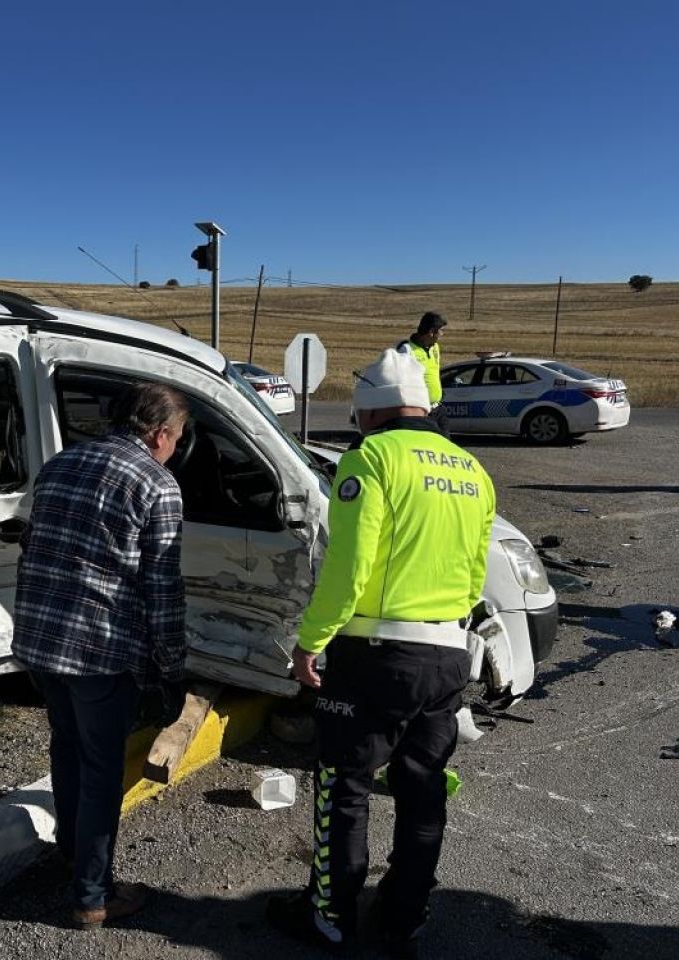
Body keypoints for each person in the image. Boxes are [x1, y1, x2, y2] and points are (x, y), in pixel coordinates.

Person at [268, 348, 495, 957]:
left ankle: (331, 918)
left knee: (345, 786)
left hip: (374, 652)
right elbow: (475, 577)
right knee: (422, 790)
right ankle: (405, 917)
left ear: (369, 411)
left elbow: (347, 568)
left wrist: (310, 641)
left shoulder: (368, 461)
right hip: (447, 653)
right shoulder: (471, 471)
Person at [12, 381, 190, 931]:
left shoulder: (60, 464)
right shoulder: (157, 486)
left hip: (41, 641)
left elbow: (34, 541)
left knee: (66, 746)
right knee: (100, 770)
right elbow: (162, 590)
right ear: (160, 434)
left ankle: (70, 850)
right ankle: (92, 894)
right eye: (177, 439)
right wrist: (172, 667)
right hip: (100, 651)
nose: (176, 448)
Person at [396, 312, 448, 436]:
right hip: (421, 411)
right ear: (431, 332)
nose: (442, 334)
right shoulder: (407, 350)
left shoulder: (435, 347)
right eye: (440, 330)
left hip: (438, 409)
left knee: (445, 446)